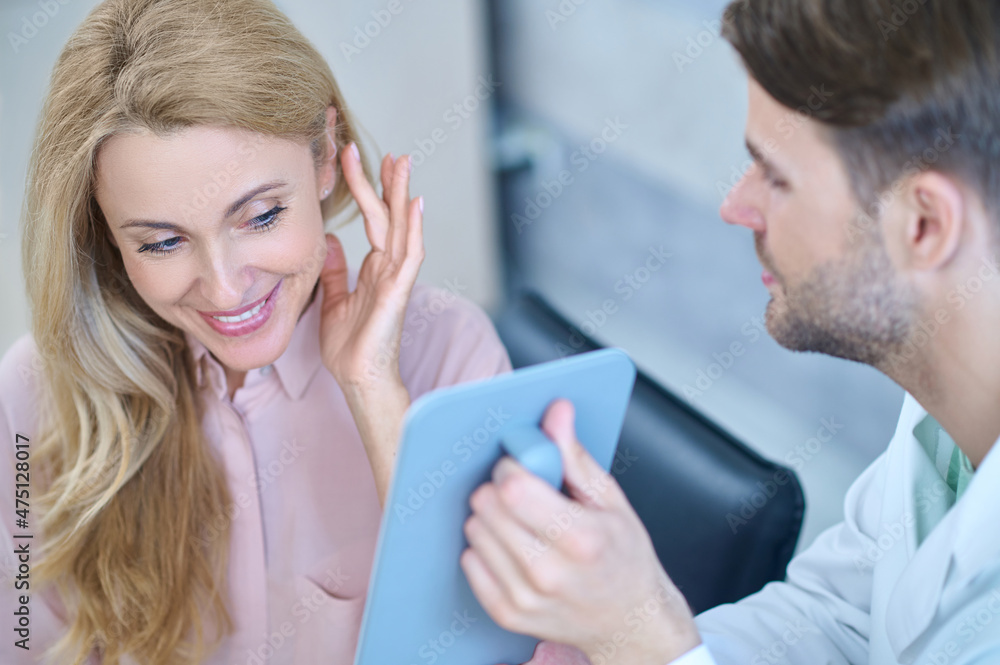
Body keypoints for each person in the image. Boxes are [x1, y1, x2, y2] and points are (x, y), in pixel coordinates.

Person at [461, 0, 1000, 663]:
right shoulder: (944, 425)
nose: (736, 206)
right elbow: (831, 620)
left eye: (776, 177)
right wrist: (631, 618)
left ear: (924, 226)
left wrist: (639, 633)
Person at [0, 0, 511, 663]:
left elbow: (509, 647)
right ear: (103, 233)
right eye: (160, 242)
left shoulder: (448, 353)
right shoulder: (30, 395)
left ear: (325, 157)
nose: (223, 286)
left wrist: (375, 398)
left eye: (262, 216)